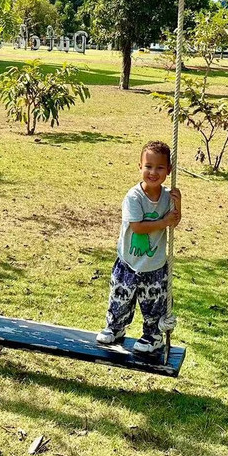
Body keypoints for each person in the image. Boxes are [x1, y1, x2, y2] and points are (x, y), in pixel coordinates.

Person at [96, 140, 181, 354]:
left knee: (154, 304)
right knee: (120, 298)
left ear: (168, 170)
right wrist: (164, 221)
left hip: (154, 265)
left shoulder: (167, 196)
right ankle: (115, 328)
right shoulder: (133, 196)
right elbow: (137, 227)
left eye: (160, 167)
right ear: (140, 167)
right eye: (148, 166)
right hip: (128, 263)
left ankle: (152, 336)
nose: (153, 172)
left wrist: (177, 204)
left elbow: (174, 222)